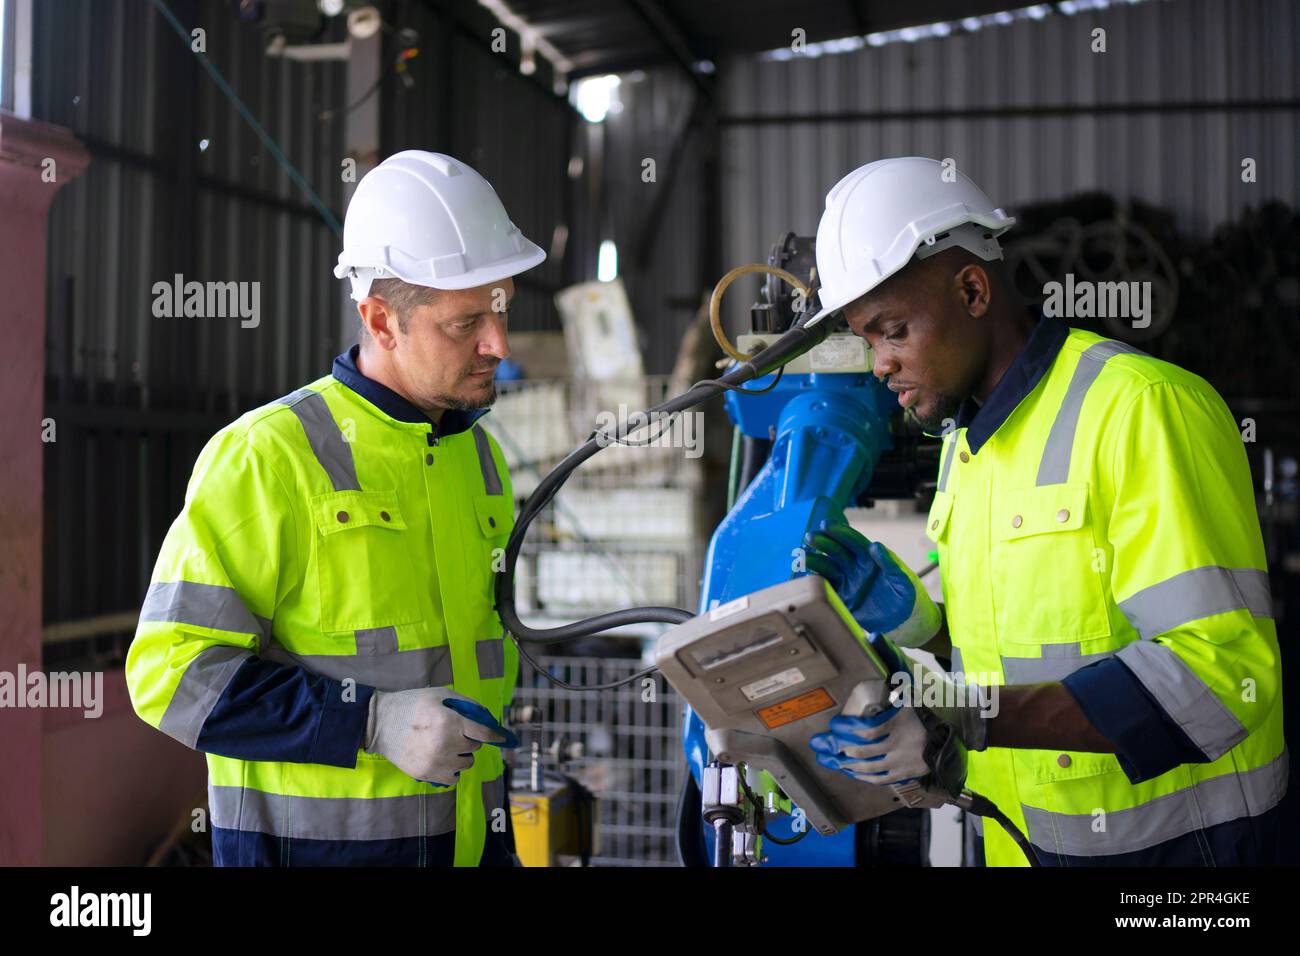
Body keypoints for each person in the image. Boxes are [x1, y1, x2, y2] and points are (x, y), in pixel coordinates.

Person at [802, 156, 1287, 866]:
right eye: (867, 339)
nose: (878, 363)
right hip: (1019, 844)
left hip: (1181, 856)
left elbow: (1221, 678)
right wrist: (911, 626)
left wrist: (969, 715)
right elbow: (1019, 649)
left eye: (892, 330)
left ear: (971, 289)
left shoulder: (1139, 408)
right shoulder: (965, 447)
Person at [126, 150, 546, 866]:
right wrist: (371, 721)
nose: (497, 346)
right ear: (381, 321)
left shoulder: (480, 457)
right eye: (465, 322)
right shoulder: (268, 457)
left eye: (502, 308)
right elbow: (170, 675)